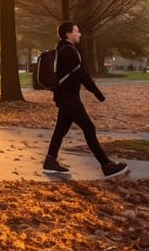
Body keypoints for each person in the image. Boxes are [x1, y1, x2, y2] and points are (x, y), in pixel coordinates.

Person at [43, 21, 129, 179]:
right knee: (89, 128)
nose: (80, 34)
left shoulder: (63, 48)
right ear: (69, 34)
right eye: (77, 31)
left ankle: (50, 162)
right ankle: (106, 166)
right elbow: (81, 74)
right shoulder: (67, 50)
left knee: (60, 130)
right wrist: (97, 93)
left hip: (65, 96)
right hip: (69, 98)